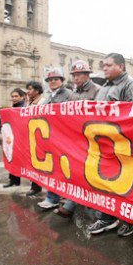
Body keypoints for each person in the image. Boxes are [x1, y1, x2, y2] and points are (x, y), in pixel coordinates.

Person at [88, 53, 133, 237]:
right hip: (103, 146)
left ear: (121, 66)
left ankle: (130, 220)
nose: (104, 68)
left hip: (123, 148)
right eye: (103, 65)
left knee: (127, 186)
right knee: (104, 183)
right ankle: (107, 218)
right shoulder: (104, 87)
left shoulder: (131, 86)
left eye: (109, 65)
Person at [53, 60, 100, 218]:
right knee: (77, 173)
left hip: (93, 139)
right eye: (74, 75)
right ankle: (71, 204)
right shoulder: (73, 94)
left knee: (91, 174)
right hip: (77, 139)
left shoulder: (97, 91)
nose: (76, 77)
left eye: (79, 74)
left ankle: (85, 207)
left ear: (87, 75)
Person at [37, 67, 76, 209]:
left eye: (56, 79)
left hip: (65, 138)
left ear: (62, 81)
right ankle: (52, 198)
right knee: (52, 169)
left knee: (67, 170)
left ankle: (69, 199)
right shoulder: (47, 97)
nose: (53, 82)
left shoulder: (70, 95)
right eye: (50, 80)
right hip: (50, 137)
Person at [24, 81, 44, 196]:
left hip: (39, 135)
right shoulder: (29, 102)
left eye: (30, 89)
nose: (28, 91)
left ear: (37, 90)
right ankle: (35, 185)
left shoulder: (42, 101)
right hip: (31, 134)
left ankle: (36, 186)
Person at [4, 88, 27, 188]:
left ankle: (34, 185)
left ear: (22, 97)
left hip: (22, 138)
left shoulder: (24, 107)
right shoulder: (14, 107)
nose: (14, 98)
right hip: (13, 137)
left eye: (16, 96)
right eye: (12, 96)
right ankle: (14, 180)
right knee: (12, 158)